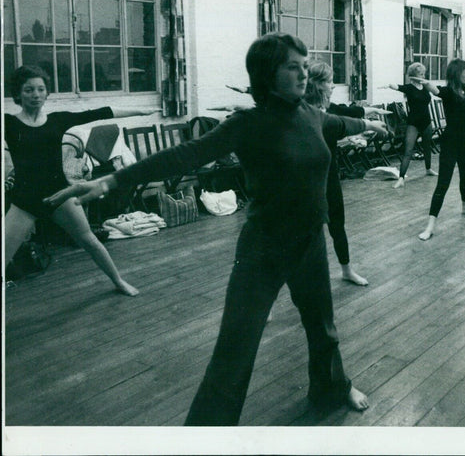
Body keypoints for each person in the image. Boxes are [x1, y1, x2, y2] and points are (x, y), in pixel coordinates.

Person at [46, 33, 388, 424]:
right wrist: (110, 181)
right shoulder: (248, 123)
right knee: (236, 347)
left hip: (310, 242)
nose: (303, 73)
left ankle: (332, 388)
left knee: (323, 329)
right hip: (264, 248)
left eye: (304, 64)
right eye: (293, 66)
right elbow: (186, 154)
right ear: (268, 73)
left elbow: (338, 122)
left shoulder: (311, 114)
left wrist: (369, 124)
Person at [4, 65, 157, 296]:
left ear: (47, 93)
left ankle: (118, 281)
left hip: (60, 196)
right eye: (28, 90)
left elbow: (100, 112)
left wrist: (141, 111)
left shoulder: (57, 120)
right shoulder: (9, 123)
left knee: (91, 241)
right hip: (24, 202)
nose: (35, 95)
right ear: (18, 94)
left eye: (40, 89)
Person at [305, 61, 385, 286]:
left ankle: (347, 270)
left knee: (337, 224)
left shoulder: (328, 109)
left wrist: (373, 112)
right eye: (330, 82)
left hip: (329, 176)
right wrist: (369, 124)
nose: (333, 86)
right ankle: (268, 295)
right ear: (318, 85)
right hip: (305, 181)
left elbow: (349, 113)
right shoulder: (301, 111)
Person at [416, 59, 465, 241]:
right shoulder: (448, 93)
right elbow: (437, 91)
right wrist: (426, 83)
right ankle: (430, 226)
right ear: (456, 74)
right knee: (443, 183)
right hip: (450, 143)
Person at [380, 62, 438, 189]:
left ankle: (428, 169)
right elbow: (398, 87)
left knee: (427, 147)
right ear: (413, 75)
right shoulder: (409, 88)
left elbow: (436, 91)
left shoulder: (425, 86)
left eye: (423, 73)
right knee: (408, 150)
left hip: (427, 121)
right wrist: (390, 85)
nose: (422, 75)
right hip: (413, 123)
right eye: (420, 74)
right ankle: (401, 178)